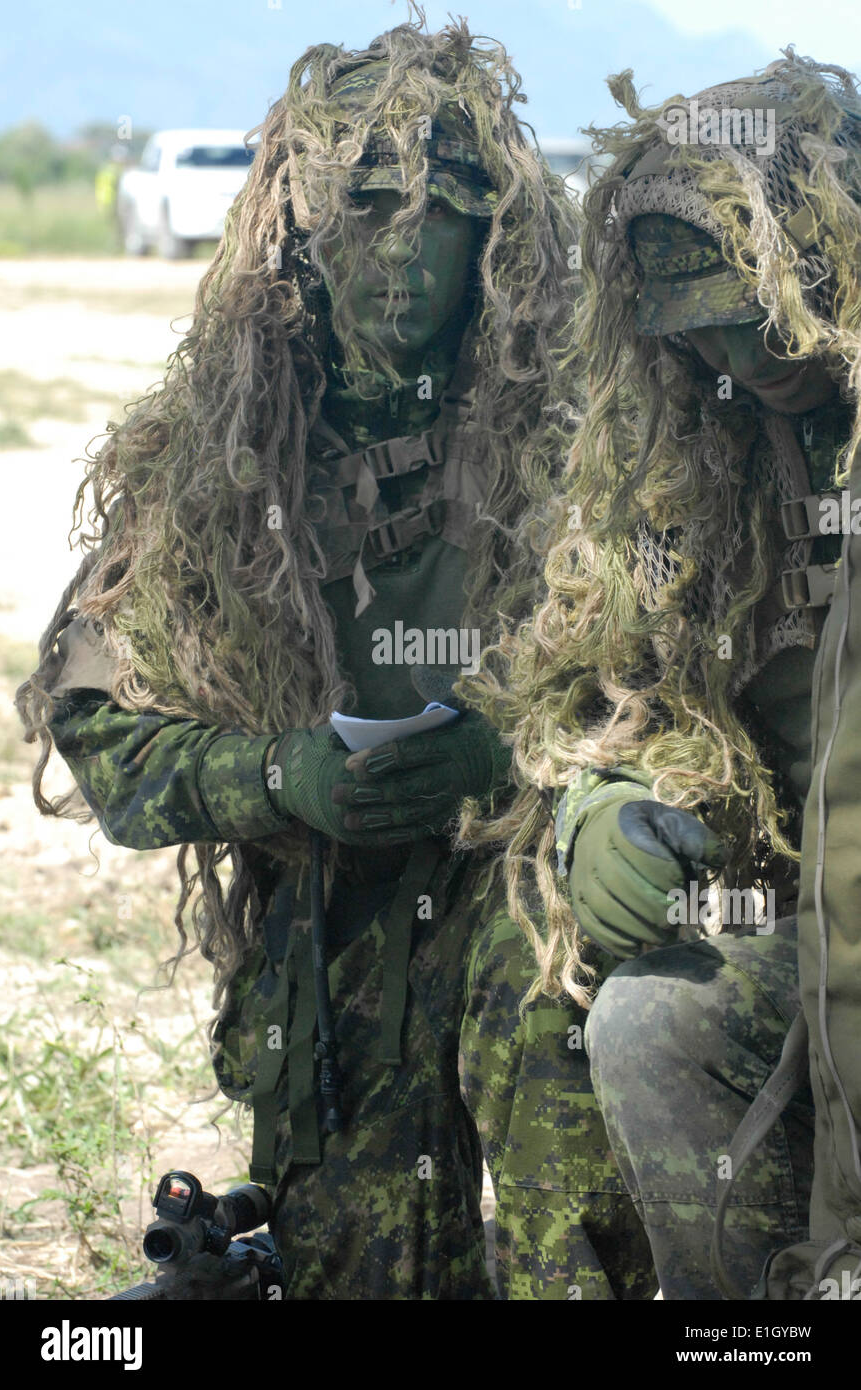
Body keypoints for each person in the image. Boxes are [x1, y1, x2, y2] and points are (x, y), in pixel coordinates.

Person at [17, 18, 654, 1300]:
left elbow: (682, 693)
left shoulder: (588, 436)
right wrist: (278, 777)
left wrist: (519, 752)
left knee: (559, 1102)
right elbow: (101, 727)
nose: (400, 255)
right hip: (335, 920)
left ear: (497, 245)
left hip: (525, 877)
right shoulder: (217, 451)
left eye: (441, 217)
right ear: (300, 234)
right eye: (364, 214)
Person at [465, 51, 861, 1298]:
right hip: (805, 927)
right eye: (703, 340)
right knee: (651, 1017)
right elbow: (613, 678)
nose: (744, 364)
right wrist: (602, 805)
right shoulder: (706, 446)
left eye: (760, 315)